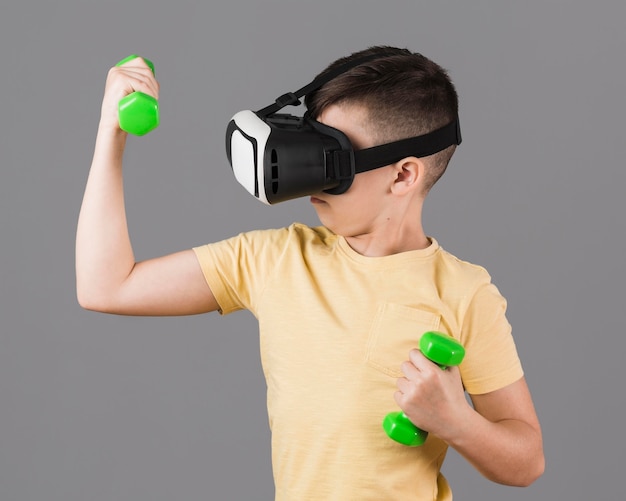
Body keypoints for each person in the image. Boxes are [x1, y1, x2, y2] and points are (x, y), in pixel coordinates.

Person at [76, 46, 544, 500]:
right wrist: (109, 134)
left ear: (403, 175)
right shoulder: (274, 260)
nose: (306, 176)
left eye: (331, 158)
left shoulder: (465, 292)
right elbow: (107, 287)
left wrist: (455, 421)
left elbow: (526, 463)